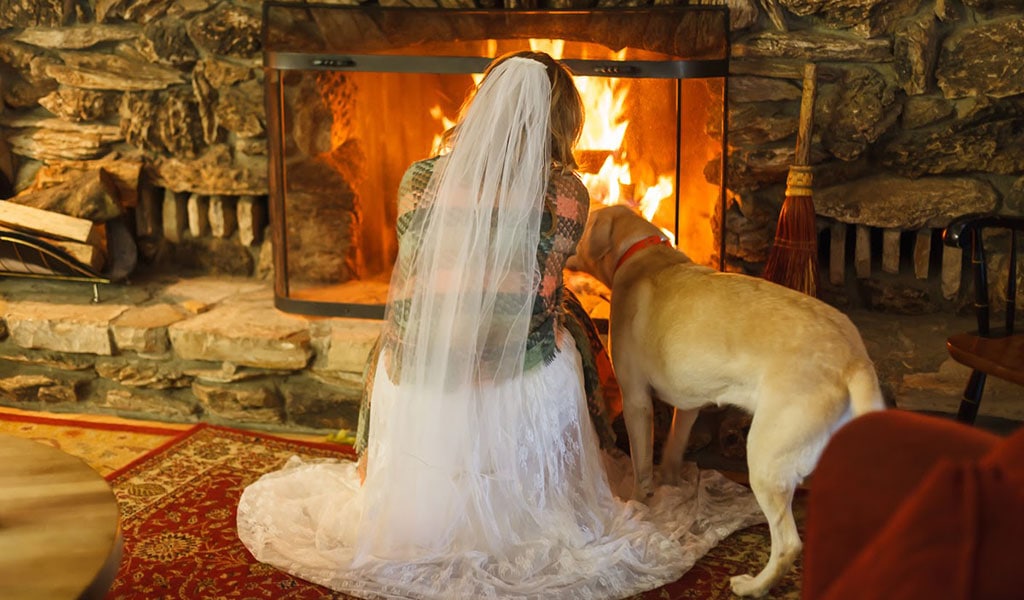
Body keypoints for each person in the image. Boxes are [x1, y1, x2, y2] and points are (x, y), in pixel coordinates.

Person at [237, 51, 761, 599]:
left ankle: (415, 490)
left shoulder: (418, 178)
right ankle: (537, 489)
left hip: (417, 375)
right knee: (569, 333)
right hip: (514, 383)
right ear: (561, 126)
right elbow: (541, 296)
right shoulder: (566, 196)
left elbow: (425, 282)